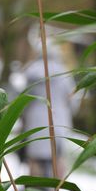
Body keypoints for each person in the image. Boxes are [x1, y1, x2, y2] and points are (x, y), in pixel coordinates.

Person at [23, 26, 77, 179]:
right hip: (58, 122)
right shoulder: (64, 73)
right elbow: (72, 99)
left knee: (36, 162)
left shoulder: (30, 73)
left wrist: (24, 118)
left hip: (35, 125)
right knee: (57, 161)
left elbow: (23, 102)